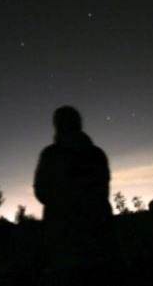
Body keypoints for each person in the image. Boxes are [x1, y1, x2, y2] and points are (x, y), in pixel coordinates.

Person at [34, 106, 116, 284]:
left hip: (64, 246)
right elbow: (102, 191)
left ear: (57, 126)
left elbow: (41, 192)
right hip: (100, 241)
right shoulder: (97, 154)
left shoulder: (51, 155)